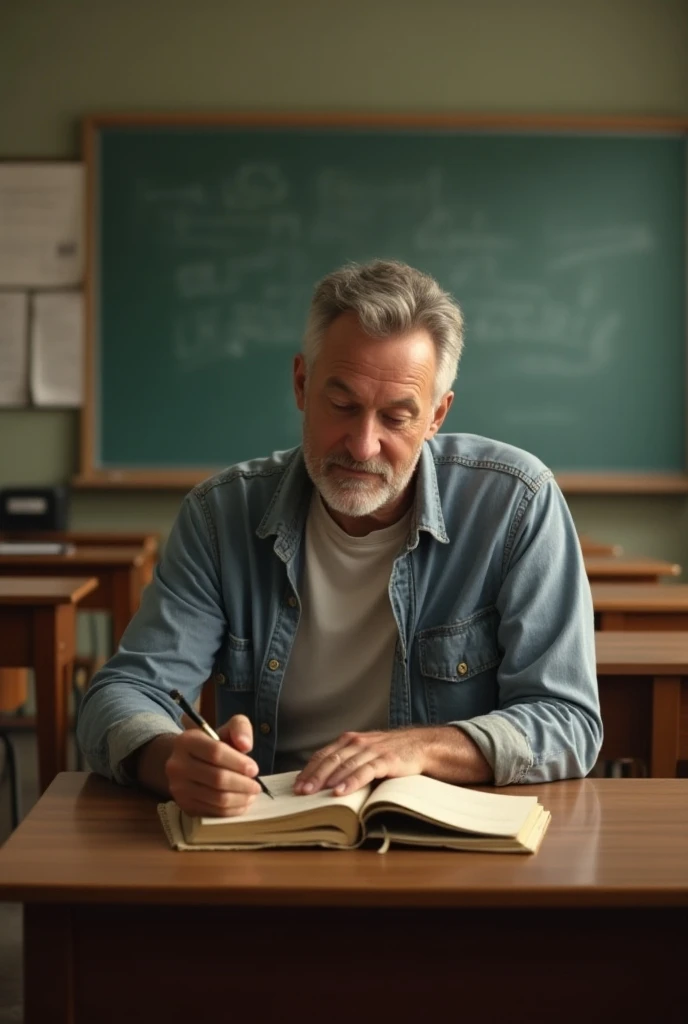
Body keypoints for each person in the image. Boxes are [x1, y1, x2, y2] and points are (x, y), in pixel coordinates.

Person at [77, 259, 602, 817]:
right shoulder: (220, 515)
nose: (362, 446)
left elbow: (566, 720)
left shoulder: (515, 505)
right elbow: (121, 694)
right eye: (343, 406)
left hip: (442, 836)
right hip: (269, 829)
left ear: (436, 417)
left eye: (397, 418)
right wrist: (170, 760)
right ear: (302, 384)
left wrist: (422, 748)